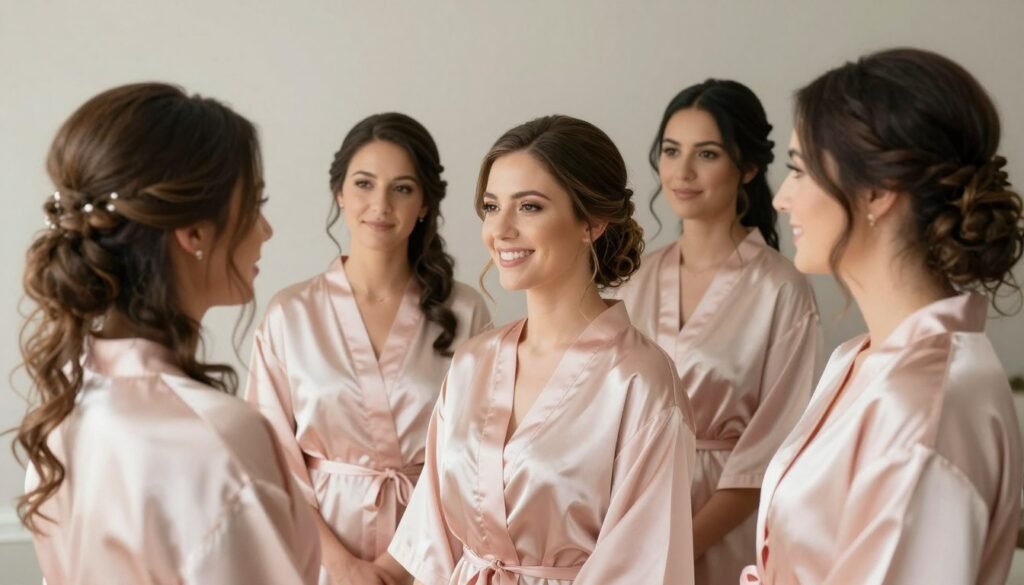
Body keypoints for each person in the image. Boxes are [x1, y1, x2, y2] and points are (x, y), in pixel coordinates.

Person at [15, 82, 319, 584]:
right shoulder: (216, 439)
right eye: (254, 203)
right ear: (193, 233)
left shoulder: (65, 405)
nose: (265, 230)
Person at [742, 48, 1024, 585]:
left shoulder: (925, 407)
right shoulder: (869, 360)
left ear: (876, 191)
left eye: (799, 170)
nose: (781, 199)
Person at [389, 115, 698, 584]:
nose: (501, 229)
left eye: (529, 207)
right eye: (492, 207)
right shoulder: (473, 362)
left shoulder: (641, 382)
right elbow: (432, 546)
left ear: (591, 223)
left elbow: (641, 568)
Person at [246, 113, 490, 585]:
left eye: (401, 188)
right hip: (316, 556)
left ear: (423, 204)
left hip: (434, 552)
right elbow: (269, 462)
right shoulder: (289, 314)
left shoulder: (464, 311)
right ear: (339, 192)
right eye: (364, 183)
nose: (380, 204)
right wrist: (341, 568)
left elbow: (475, 451)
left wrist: (401, 566)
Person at [612, 79, 820, 584]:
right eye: (670, 150)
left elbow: (771, 448)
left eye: (706, 154)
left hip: (732, 531)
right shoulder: (631, 282)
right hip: (628, 515)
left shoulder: (781, 289)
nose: (682, 171)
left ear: (746, 167)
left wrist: (676, 546)